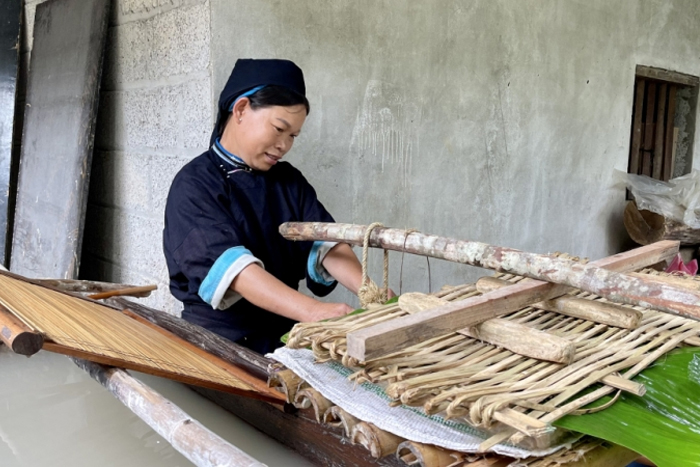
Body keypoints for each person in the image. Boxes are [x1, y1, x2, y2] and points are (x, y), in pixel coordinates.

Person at [163, 58, 370, 354]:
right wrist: (314, 312)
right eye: (278, 128)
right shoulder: (195, 184)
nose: (284, 145)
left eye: (292, 136)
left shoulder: (288, 181)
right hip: (220, 345)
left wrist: (372, 293)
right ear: (241, 109)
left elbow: (326, 243)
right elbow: (234, 271)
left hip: (284, 339)